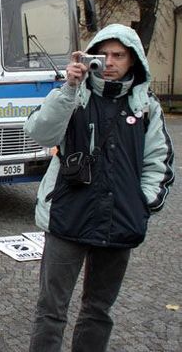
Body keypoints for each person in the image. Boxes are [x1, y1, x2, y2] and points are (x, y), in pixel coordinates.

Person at [24, 24, 175, 352]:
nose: (109, 62)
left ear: (133, 61)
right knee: (51, 310)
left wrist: (141, 203)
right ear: (89, 57)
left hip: (118, 221)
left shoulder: (145, 106)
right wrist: (68, 88)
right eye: (102, 54)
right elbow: (40, 133)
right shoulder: (74, 95)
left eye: (118, 55)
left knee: (98, 311)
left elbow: (158, 163)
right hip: (67, 218)